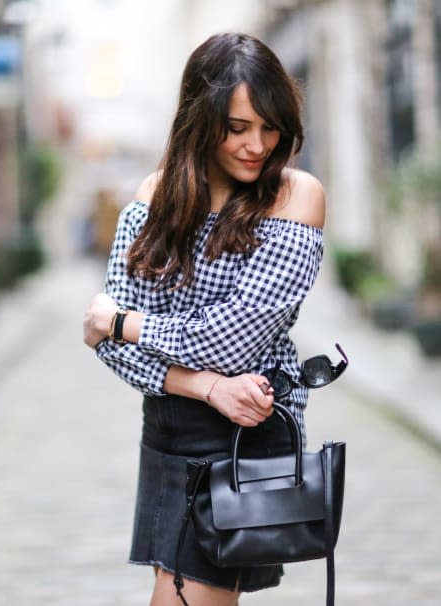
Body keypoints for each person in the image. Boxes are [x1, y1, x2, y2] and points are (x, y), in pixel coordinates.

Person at [83, 32, 325, 606]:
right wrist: (203, 386)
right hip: (169, 428)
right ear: (201, 118)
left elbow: (232, 340)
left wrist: (124, 323)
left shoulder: (295, 197)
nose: (258, 144)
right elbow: (113, 353)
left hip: (242, 432)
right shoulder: (152, 199)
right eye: (238, 127)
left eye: (269, 127)